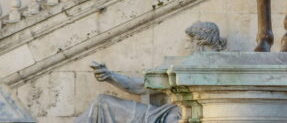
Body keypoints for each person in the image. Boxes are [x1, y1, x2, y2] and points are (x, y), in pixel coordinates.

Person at [74, 22, 226, 123]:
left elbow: (139, 86)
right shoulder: (185, 65)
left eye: (189, 41)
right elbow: (140, 86)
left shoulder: (189, 66)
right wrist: (110, 76)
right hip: (165, 115)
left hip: (168, 117)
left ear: (199, 42)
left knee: (102, 103)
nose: (186, 46)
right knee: (102, 103)